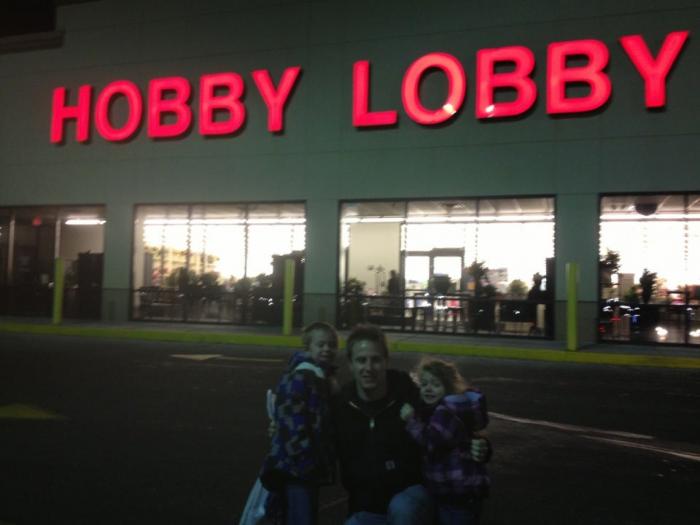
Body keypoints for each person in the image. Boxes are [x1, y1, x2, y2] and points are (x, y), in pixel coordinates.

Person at [332, 324, 433, 525]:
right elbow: (315, 441)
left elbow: (449, 422)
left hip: (409, 498)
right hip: (366, 507)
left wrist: (480, 444)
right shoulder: (341, 406)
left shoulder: (409, 394)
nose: (368, 368)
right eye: (361, 360)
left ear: (386, 361)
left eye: (375, 360)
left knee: (403, 509)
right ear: (350, 364)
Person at [260, 321, 339, 525]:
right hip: (298, 467)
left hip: (306, 465)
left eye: (331, 345)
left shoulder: (322, 376)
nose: (327, 349)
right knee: (302, 516)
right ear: (307, 347)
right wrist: (305, 460)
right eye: (320, 345)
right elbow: (292, 422)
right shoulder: (302, 376)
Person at [400, 358, 490, 525]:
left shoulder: (447, 412)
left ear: (448, 387)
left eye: (436, 384)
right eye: (424, 384)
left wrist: (411, 420)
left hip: (457, 493)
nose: (428, 389)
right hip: (457, 490)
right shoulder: (441, 409)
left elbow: (430, 441)